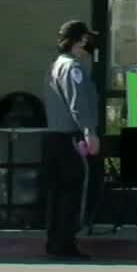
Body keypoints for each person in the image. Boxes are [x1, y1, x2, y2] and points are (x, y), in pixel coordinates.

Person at [41, 20, 101, 259]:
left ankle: (55, 241)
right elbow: (78, 103)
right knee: (72, 190)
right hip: (69, 139)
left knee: (57, 192)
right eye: (87, 38)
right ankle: (66, 243)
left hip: (54, 137)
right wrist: (89, 131)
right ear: (81, 40)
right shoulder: (73, 68)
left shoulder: (55, 65)